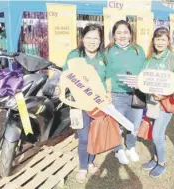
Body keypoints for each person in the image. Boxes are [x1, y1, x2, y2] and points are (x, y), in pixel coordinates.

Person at [62, 24, 105, 183]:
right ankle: (82, 167)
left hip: (99, 106)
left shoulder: (103, 57)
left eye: (96, 38)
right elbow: (65, 75)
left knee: (94, 137)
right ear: (82, 38)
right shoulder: (74, 55)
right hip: (79, 105)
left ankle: (91, 162)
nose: (92, 41)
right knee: (84, 137)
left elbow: (107, 79)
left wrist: (107, 95)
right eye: (89, 37)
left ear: (100, 40)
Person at [140, 27, 174, 178]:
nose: (160, 42)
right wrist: (151, 91)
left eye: (163, 39)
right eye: (157, 39)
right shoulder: (149, 58)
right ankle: (155, 158)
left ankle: (162, 163)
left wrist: (164, 95)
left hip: (166, 104)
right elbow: (145, 79)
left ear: (168, 41)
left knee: (158, 134)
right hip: (151, 102)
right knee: (153, 131)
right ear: (153, 41)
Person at [104, 20, 145, 164]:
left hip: (137, 94)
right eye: (119, 32)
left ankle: (131, 147)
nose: (122, 35)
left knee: (135, 124)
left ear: (130, 34)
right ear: (114, 35)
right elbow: (106, 74)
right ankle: (118, 149)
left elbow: (144, 70)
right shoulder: (108, 51)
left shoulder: (138, 50)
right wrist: (108, 92)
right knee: (117, 124)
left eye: (125, 32)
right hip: (117, 94)